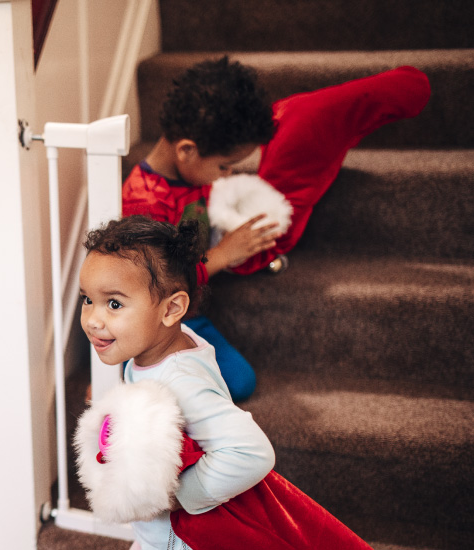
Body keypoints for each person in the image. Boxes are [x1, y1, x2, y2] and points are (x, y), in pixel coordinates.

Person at [123, 56, 430, 400]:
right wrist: (224, 254)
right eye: (224, 166)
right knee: (237, 383)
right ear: (187, 151)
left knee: (239, 379)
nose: (226, 175)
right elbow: (156, 287)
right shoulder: (144, 202)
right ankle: (137, 382)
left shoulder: (192, 173)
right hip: (162, 324)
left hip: (190, 306)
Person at [78, 215, 275, 550]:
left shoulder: (181, 381)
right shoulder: (156, 346)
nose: (93, 320)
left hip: (179, 539)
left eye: (114, 304)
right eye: (87, 299)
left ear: (171, 310)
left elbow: (251, 453)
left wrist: (179, 495)